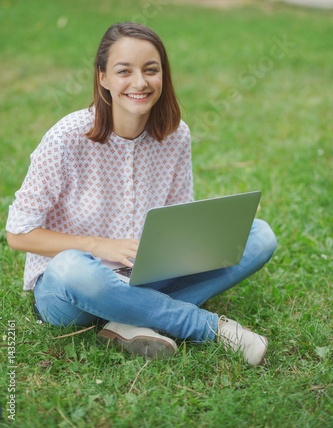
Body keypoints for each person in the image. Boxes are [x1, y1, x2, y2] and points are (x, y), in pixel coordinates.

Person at [6, 22, 277, 366]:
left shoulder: (175, 135)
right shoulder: (65, 139)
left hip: (144, 271)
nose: (140, 83)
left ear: (163, 75)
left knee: (260, 235)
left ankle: (127, 318)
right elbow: (18, 233)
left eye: (151, 70)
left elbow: (180, 217)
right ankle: (209, 328)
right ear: (102, 77)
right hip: (72, 288)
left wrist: (186, 247)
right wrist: (98, 246)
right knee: (68, 267)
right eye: (124, 71)